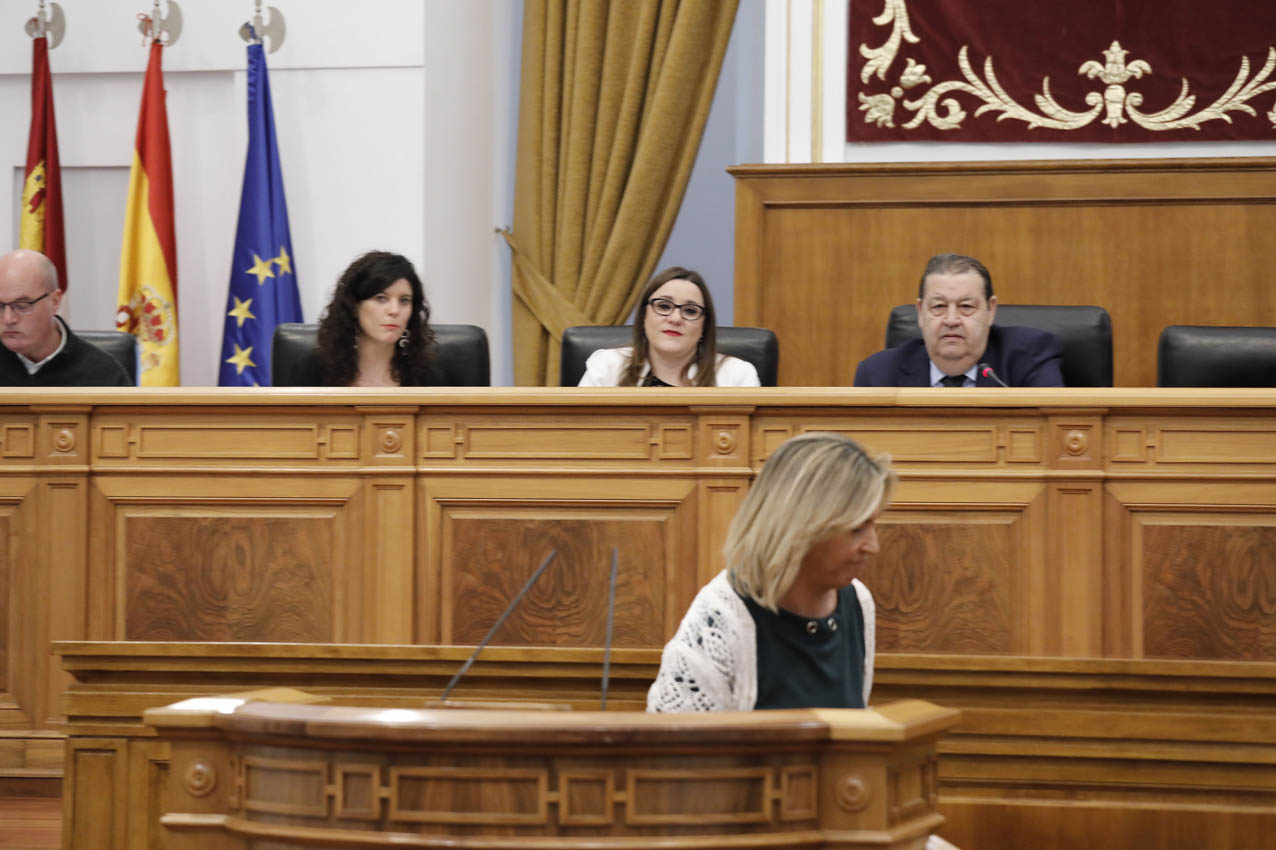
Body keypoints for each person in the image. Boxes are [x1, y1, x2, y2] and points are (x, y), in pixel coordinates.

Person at [648, 432, 893, 714]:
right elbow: (672, 750)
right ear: (802, 526)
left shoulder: (859, 603)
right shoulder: (722, 616)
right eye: (856, 529)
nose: (873, 546)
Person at [853, 253, 1064, 387]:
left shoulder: (1029, 359)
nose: (951, 320)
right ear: (920, 312)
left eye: (966, 307)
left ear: (990, 311)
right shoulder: (877, 375)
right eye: (939, 306)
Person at [578, 266, 760, 387]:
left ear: (704, 326)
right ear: (643, 317)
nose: (675, 318)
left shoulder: (738, 376)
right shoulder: (607, 366)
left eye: (690, 311)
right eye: (664, 306)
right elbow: (579, 434)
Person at [0, 249, 131, 387]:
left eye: (22, 305)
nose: (8, 319)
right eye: (0, 306)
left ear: (55, 302)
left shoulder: (104, 373)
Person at [316, 251, 438, 386]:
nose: (394, 311)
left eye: (404, 300)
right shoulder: (316, 369)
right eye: (381, 298)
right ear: (354, 306)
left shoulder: (429, 374)